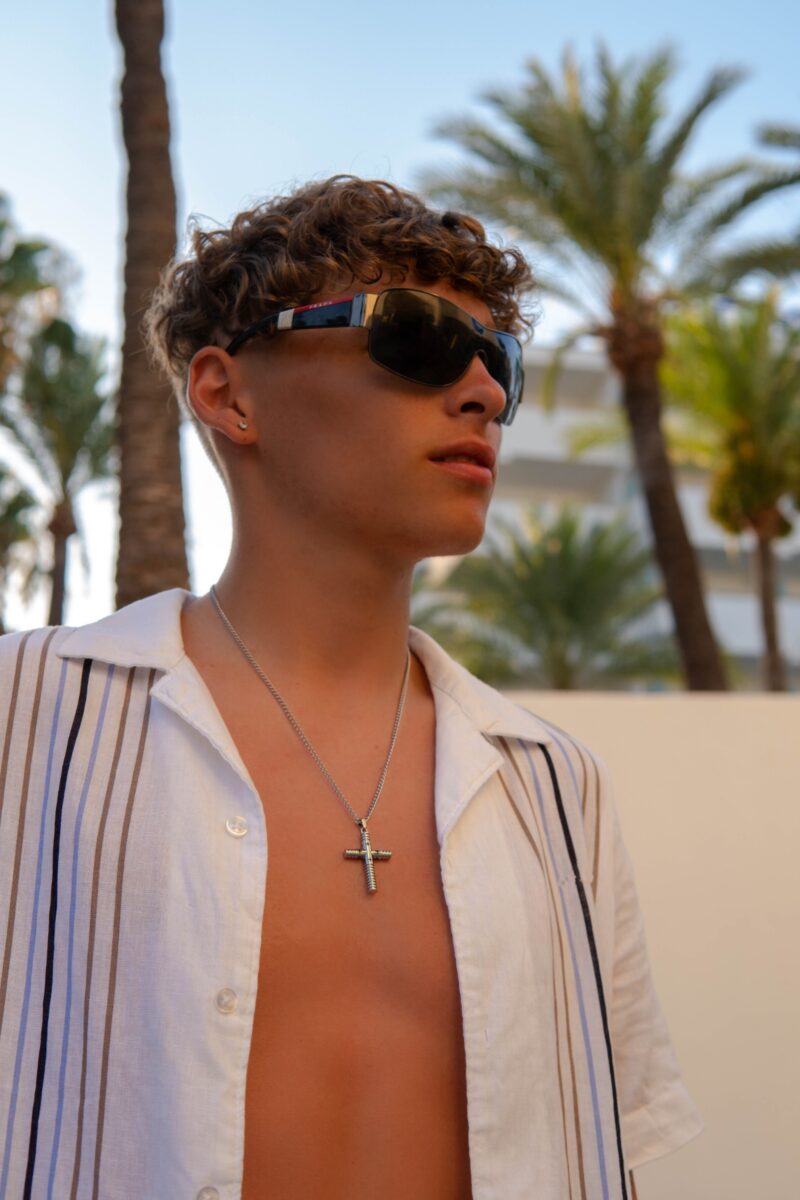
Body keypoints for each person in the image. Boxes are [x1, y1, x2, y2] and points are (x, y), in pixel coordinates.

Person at [0, 174, 702, 1200]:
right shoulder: (26, 717)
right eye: (416, 337)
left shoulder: (554, 785)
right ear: (227, 393)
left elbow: (599, 1138)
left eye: (498, 360)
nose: (484, 392)